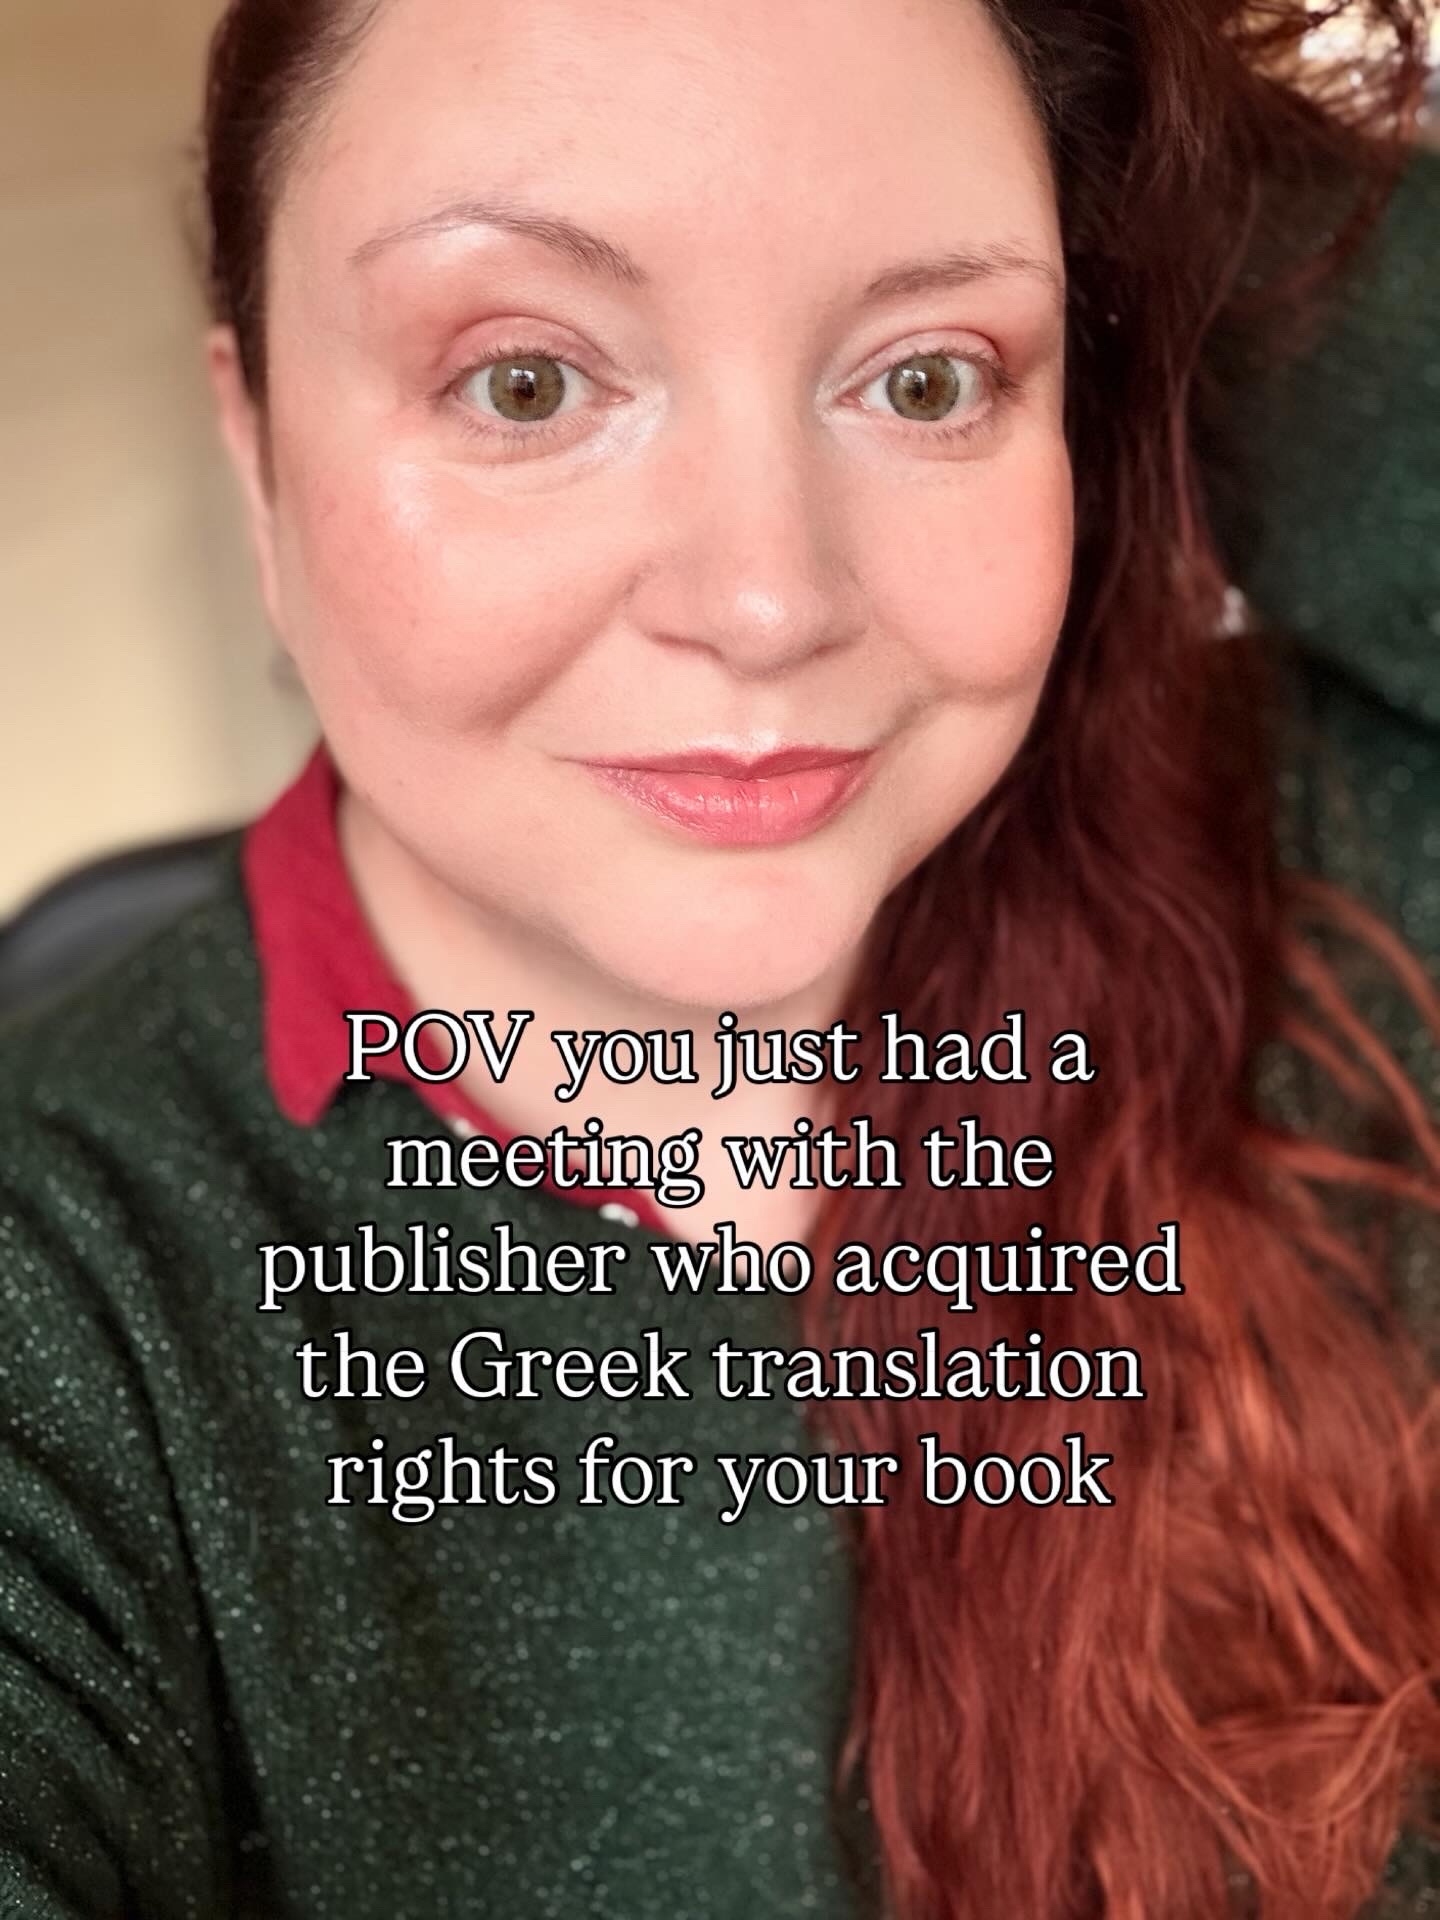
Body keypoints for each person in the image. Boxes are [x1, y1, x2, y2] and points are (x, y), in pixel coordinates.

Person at [1, 0, 1437, 1914]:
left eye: (929, 378)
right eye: (527, 383)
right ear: (257, 452)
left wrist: (1128, 93)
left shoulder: (1324, 901)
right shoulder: (57, 1290)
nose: (768, 600)